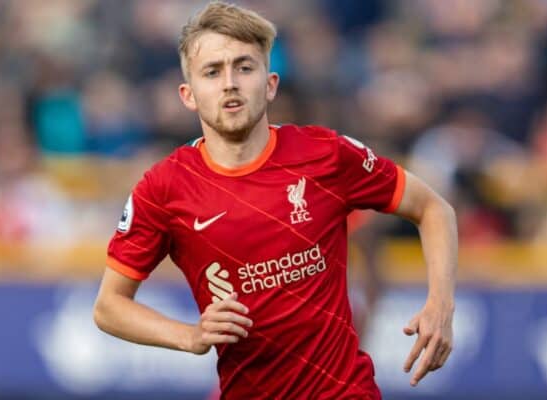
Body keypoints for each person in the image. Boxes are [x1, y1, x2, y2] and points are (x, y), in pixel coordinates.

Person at [93, 2, 458, 399]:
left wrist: (440, 304)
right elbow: (109, 306)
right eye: (212, 72)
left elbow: (434, 208)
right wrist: (190, 335)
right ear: (189, 94)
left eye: (244, 67)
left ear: (270, 84)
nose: (230, 83)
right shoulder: (164, 187)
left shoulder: (326, 154)